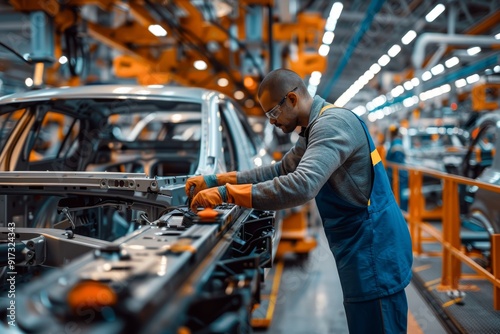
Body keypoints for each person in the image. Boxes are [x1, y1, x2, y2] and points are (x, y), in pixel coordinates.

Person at [186, 68, 413, 333]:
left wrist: (227, 195)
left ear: (292, 100)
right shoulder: (312, 129)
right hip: (361, 247)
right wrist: (217, 181)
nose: (272, 122)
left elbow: (302, 185)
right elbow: (280, 171)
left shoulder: (332, 125)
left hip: (374, 250)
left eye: (273, 113)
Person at [386, 124, 408, 211]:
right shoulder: (395, 142)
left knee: (400, 197)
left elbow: (397, 163)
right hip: (396, 175)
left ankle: (402, 215)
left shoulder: (396, 144)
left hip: (398, 176)